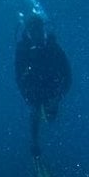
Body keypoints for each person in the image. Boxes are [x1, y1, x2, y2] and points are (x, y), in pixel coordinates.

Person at [15, 12, 71, 158]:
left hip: (51, 86)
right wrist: (26, 95)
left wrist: (58, 96)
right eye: (32, 31)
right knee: (34, 110)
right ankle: (34, 143)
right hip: (35, 88)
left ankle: (34, 142)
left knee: (40, 111)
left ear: (43, 30)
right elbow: (19, 76)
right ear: (28, 32)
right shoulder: (23, 50)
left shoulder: (53, 47)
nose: (36, 34)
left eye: (38, 30)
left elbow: (67, 74)